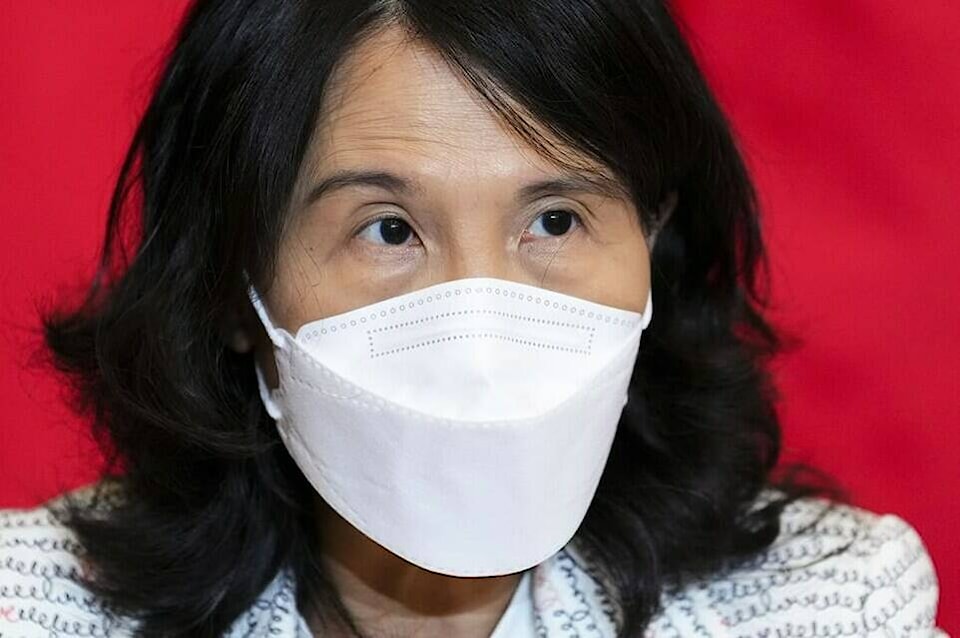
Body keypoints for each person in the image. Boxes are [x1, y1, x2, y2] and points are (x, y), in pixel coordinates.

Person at [0, 1, 946, 636]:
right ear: (232, 281)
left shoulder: (829, 605)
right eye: (389, 230)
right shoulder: (31, 608)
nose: (480, 339)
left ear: (651, 242)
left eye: (555, 221)